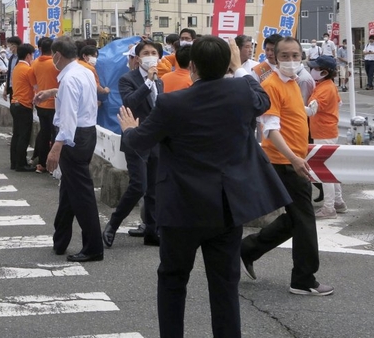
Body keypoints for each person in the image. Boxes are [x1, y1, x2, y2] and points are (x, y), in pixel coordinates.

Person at [117, 36, 291, 338]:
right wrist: (237, 68)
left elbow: (138, 143)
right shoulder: (241, 92)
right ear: (227, 64)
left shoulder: (173, 103)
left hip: (181, 208)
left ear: (192, 65)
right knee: (224, 285)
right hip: (226, 207)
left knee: (173, 280)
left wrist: (130, 130)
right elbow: (261, 98)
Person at [241, 36, 334, 296]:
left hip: (292, 160)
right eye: (285, 56)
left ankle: (248, 248)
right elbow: (270, 129)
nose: (291, 61)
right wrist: (293, 159)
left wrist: (307, 111)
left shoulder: (292, 82)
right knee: (304, 220)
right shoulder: (271, 85)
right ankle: (303, 279)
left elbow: (289, 113)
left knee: (296, 219)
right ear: (274, 57)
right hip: (284, 162)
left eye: (296, 55)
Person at [34, 36, 103, 262]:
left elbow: (69, 117)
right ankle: (60, 239)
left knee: (81, 195)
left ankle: (93, 247)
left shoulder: (71, 77)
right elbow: (76, 98)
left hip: (73, 138)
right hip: (85, 134)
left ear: (57, 55)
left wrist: (56, 146)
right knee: (69, 190)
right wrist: (51, 93)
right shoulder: (82, 71)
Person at [103, 40, 163, 249]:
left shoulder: (160, 81)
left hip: (156, 140)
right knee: (139, 185)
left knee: (154, 188)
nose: (150, 55)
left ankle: (152, 230)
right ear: (137, 58)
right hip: (136, 139)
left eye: (154, 52)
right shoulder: (127, 79)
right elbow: (130, 102)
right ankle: (113, 223)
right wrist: (148, 81)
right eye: (146, 53)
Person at [306, 56, 345, 219]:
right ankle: (338, 202)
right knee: (330, 169)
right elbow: (339, 103)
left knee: (324, 172)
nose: (312, 70)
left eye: (315, 68)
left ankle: (329, 208)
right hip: (328, 131)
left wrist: (290, 106)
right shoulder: (328, 85)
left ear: (324, 72)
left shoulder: (324, 89)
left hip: (323, 133)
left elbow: (311, 111)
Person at [31, 37, 60, 174]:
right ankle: (54, 166)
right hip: (55, 104)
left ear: (40, 49)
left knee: (44, 133)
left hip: (40, 103)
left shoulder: (34, 63)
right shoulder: (56, 64)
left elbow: (34, 83)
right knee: (56, 134)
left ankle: (42, 163)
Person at [9, 44, 37, 172]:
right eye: (32, 55)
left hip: (15, 103)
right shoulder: (28, 70)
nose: (33, 57)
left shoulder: (17, 68)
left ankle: (14, 162)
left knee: (17, 135)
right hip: (24, 105)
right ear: (28, 55)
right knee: (23, 136)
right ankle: (21, 163)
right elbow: (35, 87)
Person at [2, 36, 22, 102]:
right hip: (11, 87)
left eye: (9, 45)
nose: (9, 48)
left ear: (14, 45)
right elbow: (9, 74)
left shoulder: (22, 58)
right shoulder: (11, 58)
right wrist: (5, 89)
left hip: (20, 88)